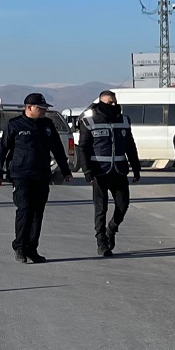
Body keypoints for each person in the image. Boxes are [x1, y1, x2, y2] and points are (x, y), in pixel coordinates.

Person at [0, 92, 71, 263]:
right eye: (40, 108)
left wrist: (66, 171)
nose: (44, 111)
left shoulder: (48, 125)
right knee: (25, 210)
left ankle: (32, 248)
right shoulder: (15, 125)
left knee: (38, 213)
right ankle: (20, 247)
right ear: (29, 108)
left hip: (42, 174)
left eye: (45, 108)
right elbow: (1, 149)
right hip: (21, 174)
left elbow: (58, 149)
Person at [75, 90, 141, 258]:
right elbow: (83, 147)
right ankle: (102, 242)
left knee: (123, 205)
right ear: (101, 103)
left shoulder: (124, 120)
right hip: (100, 172)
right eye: (109, 102)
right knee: (100, 209)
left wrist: (136, 166)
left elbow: (130, 145)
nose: (113, 105)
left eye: (114, 101)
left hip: (119, 171)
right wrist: (87, 170)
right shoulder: (89, 121)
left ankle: (112, 228)